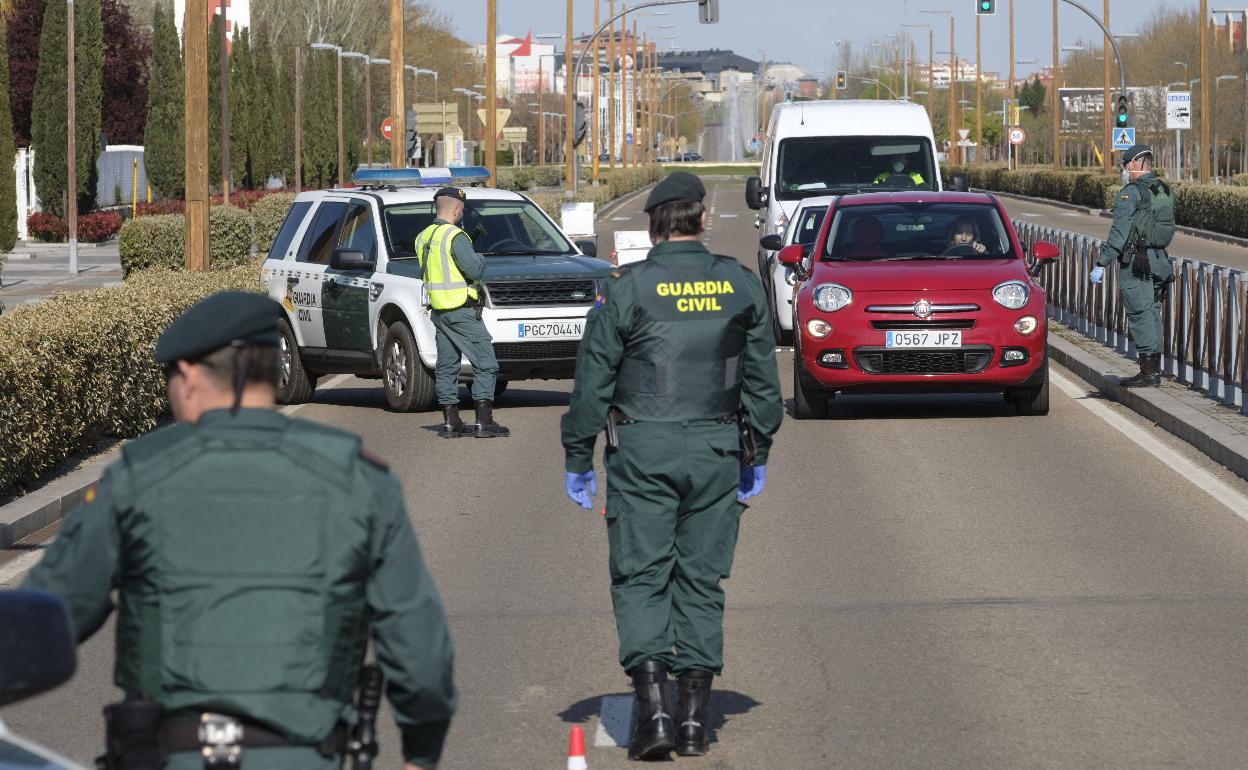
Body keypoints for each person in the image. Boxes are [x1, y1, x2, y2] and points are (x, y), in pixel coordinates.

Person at [24, 292, 457, 770]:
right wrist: (421, 752)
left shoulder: (133, 480)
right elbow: (420, 655)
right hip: (313, 756)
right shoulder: (359, 478)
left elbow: (45, 617)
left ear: (187, 378)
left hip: (172, 754)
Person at [560, 172, 784, 761]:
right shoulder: (740, 285)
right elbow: (762, 382)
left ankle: (653, 715)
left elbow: (592, 384)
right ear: (702, 220)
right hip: (716, 449)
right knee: (700, 580)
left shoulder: (627, 290)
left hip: (642, 451)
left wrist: (577, 455)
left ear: (652, 223)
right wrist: (755, 450)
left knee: (642, 577)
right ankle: (692, 723)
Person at [415, 186, 509, 438]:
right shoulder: (455, 236)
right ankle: (484, 421)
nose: (462, 213)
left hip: (440, 313)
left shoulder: (423, 236)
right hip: (462, 310)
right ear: (456, 209)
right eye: (462, 210)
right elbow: (475, 270)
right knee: (487, 364)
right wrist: (479, 257)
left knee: (446, 366)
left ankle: (451, 422)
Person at [1090, 144, 1176, 388]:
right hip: (1160, 260)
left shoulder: (1131, 192)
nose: (1123, 172)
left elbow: (1119, 232)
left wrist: (1101, 262)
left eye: (1124, 167)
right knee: (1153, 314)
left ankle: (1149, 374)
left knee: (1141, 315)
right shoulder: (1164, 189)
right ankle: (1153, 370)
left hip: (1138, 262)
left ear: (1132, 166)